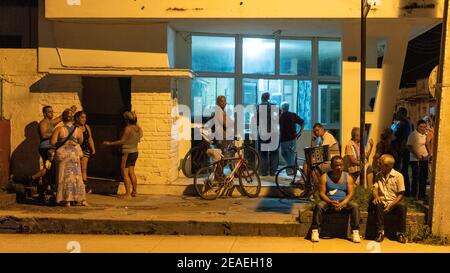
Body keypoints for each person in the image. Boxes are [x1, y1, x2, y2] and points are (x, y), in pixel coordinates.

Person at [310, 156, 361, 243]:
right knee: (319, 206)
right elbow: (322, 193)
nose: (339, 167)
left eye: (341, 165)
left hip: (343, 201)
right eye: (336, 165)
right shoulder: (324, 177)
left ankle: (355, 232)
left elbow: (351, 193)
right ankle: (315, 231)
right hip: (328, 201)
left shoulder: (348, 177)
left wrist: (343, 203)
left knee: (355, 206)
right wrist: (330, 202)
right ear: (332, 166)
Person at [50, 108, 87, 207]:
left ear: (63, 118)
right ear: (72, 119)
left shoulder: (59, 129)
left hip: (63, 155)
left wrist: (63, 142)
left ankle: (66, 200)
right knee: (76, 177)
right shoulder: (78, 130)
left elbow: (52, 142)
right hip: (74, 155)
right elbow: (81, 141)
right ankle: (77, 199)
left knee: (63, 177)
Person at [103, 111, 143, 199]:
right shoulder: (138, 127)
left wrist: (109, 143)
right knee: (132, 172)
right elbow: (140, 137)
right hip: (135, 151)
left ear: (127, 119)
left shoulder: (128, 128)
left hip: (127, 153)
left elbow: (122, 141)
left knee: (124, 173)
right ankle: (134, 192)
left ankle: (127, 194)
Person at [371, 154, 407, 244]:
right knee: (377, 204)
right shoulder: (378, 175)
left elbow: (401, 194)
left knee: (402, 206)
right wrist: (376, 196)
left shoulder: (398, 176)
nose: (378, 165)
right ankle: (380, 232)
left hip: (394, 202)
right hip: (382, 201)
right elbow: (375, 188)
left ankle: (400, 233)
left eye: (380, 163)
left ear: (387, 166)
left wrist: (391, 205)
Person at [304, 123, 340, 197]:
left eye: (317, 130)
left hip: (332, 162)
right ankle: (310, 187)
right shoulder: (322, 139)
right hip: (328, 161)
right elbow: (315, 151)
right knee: (308, 164)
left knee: (313, 170)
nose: (316, 133)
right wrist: (313, 140)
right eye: (315, 131)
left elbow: (320, 152)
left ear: (322, 129)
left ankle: (316, 190)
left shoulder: (327, 137)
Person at [257, 92, 279, 176]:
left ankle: (264, 171)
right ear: (268, 98)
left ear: (262, 98)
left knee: (263, 153)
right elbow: (279, 116)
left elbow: (257, 120)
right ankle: (273, 171)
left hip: (263, 132)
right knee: (274, 152)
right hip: (274, 131)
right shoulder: (274, 106)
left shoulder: (258, 107)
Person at [407, 119, 430, 201]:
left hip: (424, 158)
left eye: (424, 127)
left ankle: (422, 195)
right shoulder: (413, 135)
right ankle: (414, 195)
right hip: (415, 159)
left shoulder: (426, 135)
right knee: (416, 177)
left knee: (423, 177)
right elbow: (409, 146)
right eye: (421, 127)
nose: (423, 128)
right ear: (417, 126)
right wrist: (417, 155)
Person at [391, 107, 411, 196]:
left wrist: (401, 151)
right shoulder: (397, 123)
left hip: (401, 149)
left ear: (403, 114)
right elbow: (391, 130)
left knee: (403, 171)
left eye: (399, 113)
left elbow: (405, 138)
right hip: (396, 148)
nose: (397, 115)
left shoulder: (405, 123)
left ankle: (405, 191)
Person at [74, 111, 96, 193]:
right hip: (76, 150)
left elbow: (90, 138)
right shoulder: (74, 127)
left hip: (85, 150)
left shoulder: (87, 127)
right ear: (77, 118)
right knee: (76, 168)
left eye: (85, 117)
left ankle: (84, 186)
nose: (84, 119)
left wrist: (93, 149)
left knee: (84, 168)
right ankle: (76, 185)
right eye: (82, 117)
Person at [279, 102, 304, 167]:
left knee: (284, 154)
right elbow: (302, 122)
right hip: (293, 139)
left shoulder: (281, 116)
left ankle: (290, 169)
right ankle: (291, 168)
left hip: (284, 139)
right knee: (291, 154)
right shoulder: (293, 115)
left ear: (282, 108)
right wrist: (299, 133)